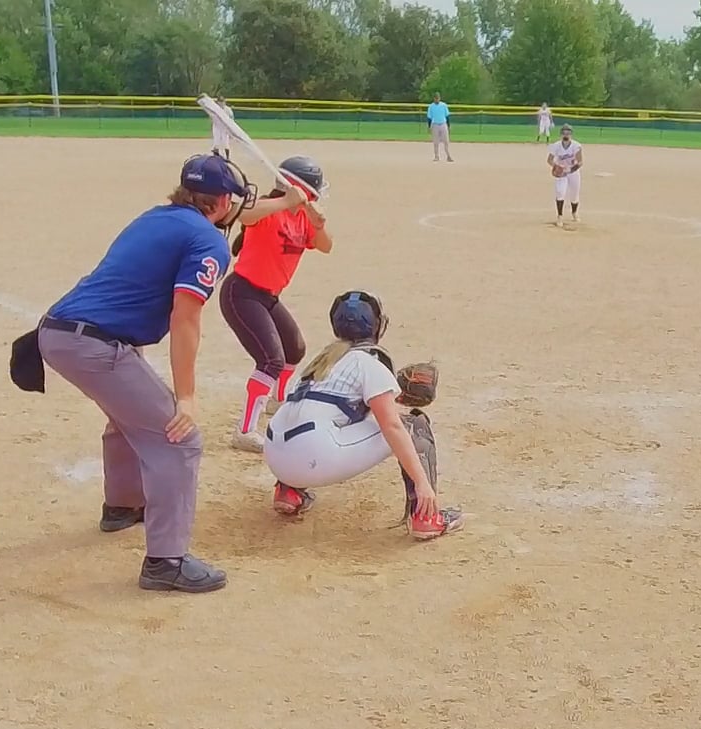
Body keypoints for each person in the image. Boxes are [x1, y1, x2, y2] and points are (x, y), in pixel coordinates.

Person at [35, 153, 250, 593]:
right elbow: (185, 319)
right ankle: (165, 561)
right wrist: (186, 398)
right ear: (223, 202)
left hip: (59, 332)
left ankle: (123, 506)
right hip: (94, 345)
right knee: (178, 438)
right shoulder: (208, 241)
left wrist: (290, 203)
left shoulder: (158, 217)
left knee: (129, 416)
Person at [261, 290, 463, 540]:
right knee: (413, 425)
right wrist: (422, 483)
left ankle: (288, 491)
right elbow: (391, 426)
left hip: (275, 456)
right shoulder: (369, 364)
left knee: (312, 420)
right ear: (377, 326)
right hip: (313, 456)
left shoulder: (321, 362)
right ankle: (426, 517)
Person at [222, 155, 333, 451]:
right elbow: (243, 216)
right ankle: (245, 431)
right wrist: (285, 201)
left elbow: (326, 246)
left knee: (294, 349)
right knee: (271, 360)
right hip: (242, 293)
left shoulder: (303, 218)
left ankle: (277, 401)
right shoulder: (270, 209)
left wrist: (319, 224)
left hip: (268, 296)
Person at [548, 125, 584, 227]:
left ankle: (574, 212)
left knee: (574, 195)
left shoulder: (576, 146)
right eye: (564, 133)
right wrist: (557, 166)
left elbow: (580, 162)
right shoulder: (556, 146)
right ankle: (560, 216)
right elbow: (549, 160)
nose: (566, 135)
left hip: (573, 173)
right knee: (560, 192)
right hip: (561, 173)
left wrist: (570, 169)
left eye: (568, 133)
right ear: (561, 134)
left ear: (571, 134)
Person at [427, 94, 453, 162]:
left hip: (443, 124)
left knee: (446, 141)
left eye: (438, 98)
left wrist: (449, 126)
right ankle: (436, 156)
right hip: (435, 124)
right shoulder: (431, 106)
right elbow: (429, 118)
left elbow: (447, 117)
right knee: (436, 142)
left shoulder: (444, 105)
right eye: (436, 98)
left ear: (439, 98)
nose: (437, 99)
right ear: (434, 98)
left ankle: (448, 156)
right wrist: (429, 127)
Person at [208, 95, 234, 159]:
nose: (221, 103)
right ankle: (216, 158)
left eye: (222, 101)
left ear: (224, 102)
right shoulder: (214, 109)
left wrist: (230, 129)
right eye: (220, 102)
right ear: (217, 102)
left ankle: (227, 158)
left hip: (225, 128)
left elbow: (231, 119)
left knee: (226, 143)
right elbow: (211, 118)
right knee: (216, 142)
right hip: (216, 127)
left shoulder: (228, 109)